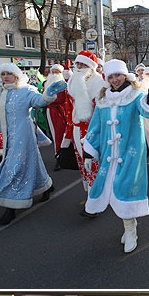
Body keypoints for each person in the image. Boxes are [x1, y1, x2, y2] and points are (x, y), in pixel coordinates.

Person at [82, 59, 149, 253]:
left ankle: (130, 230)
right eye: (111, 76)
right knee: (111, 191)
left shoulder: (136, 95)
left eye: (118, 75)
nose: (115, 80)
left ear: (125, 75)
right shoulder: (102, 100)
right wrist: (88, 152)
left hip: (131, 154)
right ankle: (128, 226)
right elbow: (95, 127)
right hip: (108, 156)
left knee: (126, 189)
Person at [0, 62, 65, 226]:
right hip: (9, 140)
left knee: (14, 167)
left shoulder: (26, 91)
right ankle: (46, 186)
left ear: (16, 75)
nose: (6, 76)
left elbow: (40, 101)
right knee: (33, 164)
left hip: (24, 137)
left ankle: (11, 208)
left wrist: (48, 94)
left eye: (9, 73)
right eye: (3, 74)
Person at [62, 50, 104, 195]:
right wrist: (67, 135)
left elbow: (102, 112)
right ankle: (90, 193)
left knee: (94, 164)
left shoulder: (99, 83)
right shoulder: (73, 81)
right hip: (76, 129)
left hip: (93, 130)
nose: (79, 66)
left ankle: (96, 198)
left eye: (83, 63)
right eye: (77, 63)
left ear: (91, 66)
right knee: (82, 164)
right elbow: (69, 110)